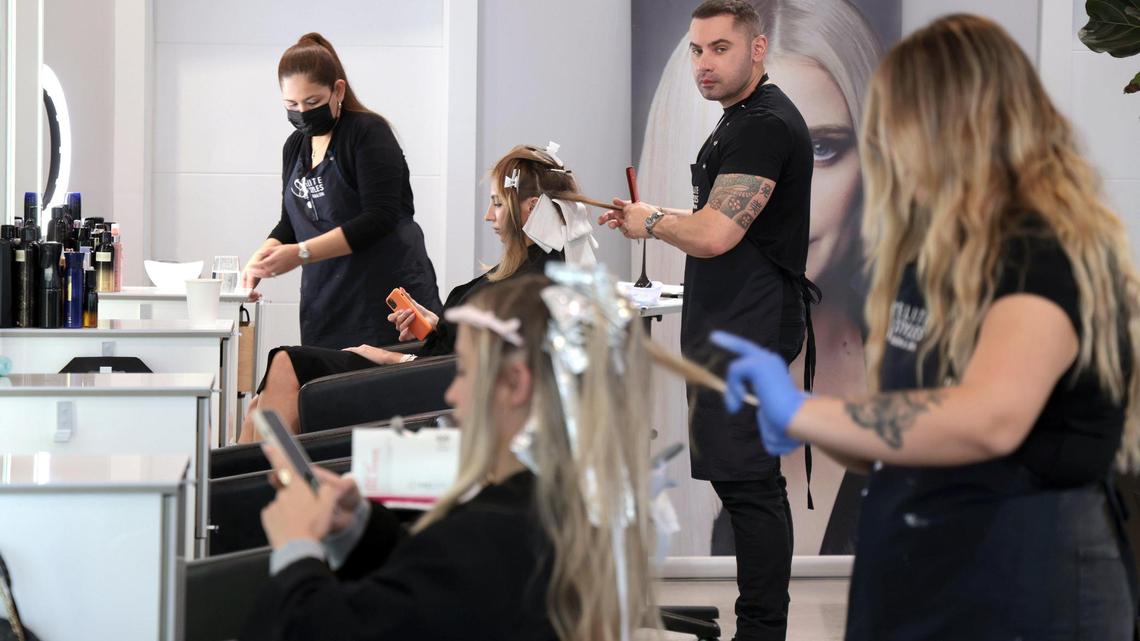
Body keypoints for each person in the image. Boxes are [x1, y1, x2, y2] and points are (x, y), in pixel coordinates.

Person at [714, 14, 1140, 640]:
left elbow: (988, 417)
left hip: (1024, 584)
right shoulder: (934, 260)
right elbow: (904, 426)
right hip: (925, 575)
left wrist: (807, 415)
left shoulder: (1042, 252)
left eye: (894, 133)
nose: (888, 156)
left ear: (955, 130)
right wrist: (799, 411)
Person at [240, 271, 666, 641]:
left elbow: (312, 632)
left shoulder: (485, 537)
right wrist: (359, 527)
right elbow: (429, 597)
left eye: (462, 371)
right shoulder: (562, 503)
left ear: (515, 383)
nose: (451, 393)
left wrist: (296, 546)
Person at [600, 1, 814, 638]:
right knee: (738, 475)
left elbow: (718, 233)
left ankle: (762, 628)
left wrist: (654, 222)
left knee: (749, 483)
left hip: (752, 325)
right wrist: (655, 217)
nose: (704, 63)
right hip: (729, 319)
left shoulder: (763, 125)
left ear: (757, 49)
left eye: (720, 48)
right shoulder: (739, 121)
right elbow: (724, 223)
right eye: (696, 50)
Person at [237, 145, 585, 442]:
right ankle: (234, 495)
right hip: (423, 374)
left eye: (497, 203)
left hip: (423, 390)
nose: (487, 215)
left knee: (286, 365)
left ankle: (247, 502)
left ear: (530, 207)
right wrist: (435, 327)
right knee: (262, 401)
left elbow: (471, 368)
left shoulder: (527, 287)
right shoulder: (526, 273)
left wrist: (388, 358)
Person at [242, 32, 442, 350]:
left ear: (338, 90)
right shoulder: (294, 147)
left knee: (394, 391)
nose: (303, 113)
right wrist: (262, 258)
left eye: (313, 103)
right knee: (324, 390)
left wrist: (301, 254)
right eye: (291, 105)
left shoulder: (368, 133)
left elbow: (380, 217)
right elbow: (291, 223)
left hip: (387, 300)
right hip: (327, 301)